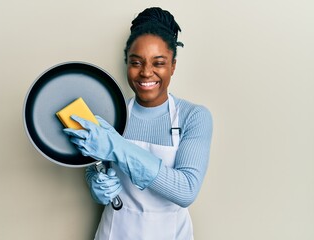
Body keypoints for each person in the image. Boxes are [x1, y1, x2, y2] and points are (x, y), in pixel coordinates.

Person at [64, 7, 213, 240]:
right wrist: (96, 183)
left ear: (173, 65)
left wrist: (117, 146)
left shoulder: (193, 116)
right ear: (127, 63)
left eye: (159, 63)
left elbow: (186, 190)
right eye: (136, 62)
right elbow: (94, 165)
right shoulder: (111, 112)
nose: (146, 73)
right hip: (115, 231)